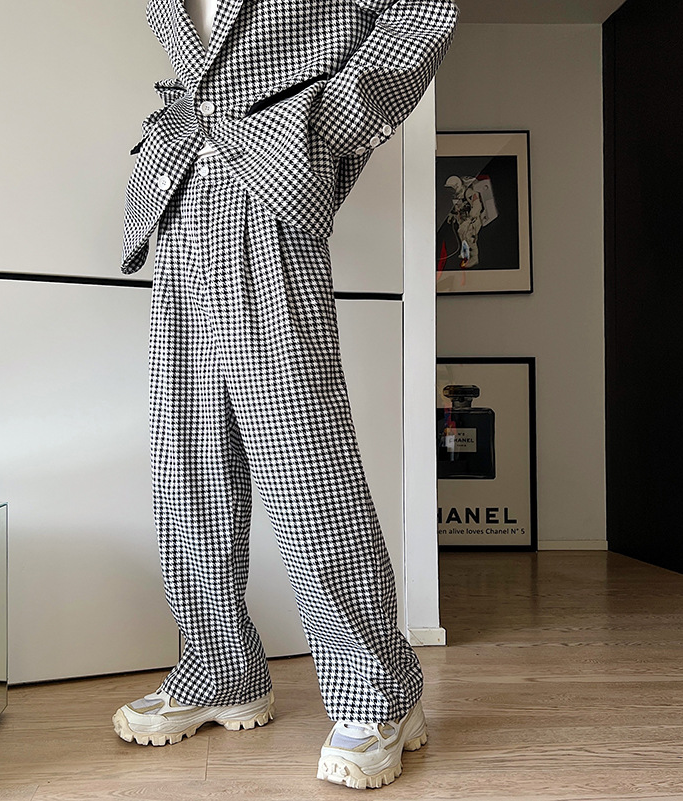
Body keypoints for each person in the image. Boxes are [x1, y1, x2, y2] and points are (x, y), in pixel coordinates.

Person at [112, 0, 459, 789]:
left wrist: (322, 124)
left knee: (302, 454)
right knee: (189, 459)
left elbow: (422, 11)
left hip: (268, 185)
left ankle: (380, 688)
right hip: (183, 191)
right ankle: (220, 666)